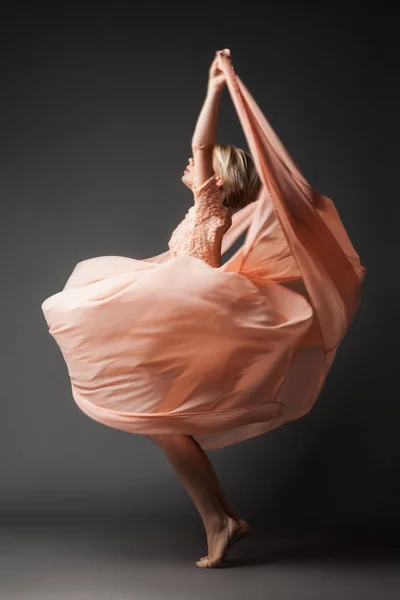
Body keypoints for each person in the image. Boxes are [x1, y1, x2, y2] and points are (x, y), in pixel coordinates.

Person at [41, 50, 366, 569]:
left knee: (164, 423)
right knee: (164, 424)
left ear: (218, 180)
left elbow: (201, 144)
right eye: (197, 165)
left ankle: (221, 521)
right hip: (177, 319)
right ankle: (222, 520)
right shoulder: (203, 210)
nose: (191, 164)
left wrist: (216, 88)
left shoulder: (211, 206)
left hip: (188, 320)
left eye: (202, 166)